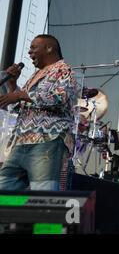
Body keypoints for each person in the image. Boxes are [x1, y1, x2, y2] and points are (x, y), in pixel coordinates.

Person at [0, 34, 77, 191]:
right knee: (5, 193)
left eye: (33, 47)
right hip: (22, 141)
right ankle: (13, 215)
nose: (29, 52)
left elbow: (59, 99)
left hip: (47, 139)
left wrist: (20, 95)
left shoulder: (64, 71)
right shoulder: (36, 75)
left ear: (49, 48)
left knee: (42, 192)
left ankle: (41, 215)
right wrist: (13, 82)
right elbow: (24, 106)